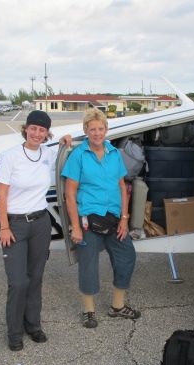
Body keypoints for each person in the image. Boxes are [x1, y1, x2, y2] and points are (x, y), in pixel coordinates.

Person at [0, 110, 71, 351]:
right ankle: (14, 333)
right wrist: (4, 226)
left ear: (47, 133)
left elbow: (60, 151)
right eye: (33, 128)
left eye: (42, 130)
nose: (37, 133)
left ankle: (33, 325)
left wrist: (64, 141)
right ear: (26, 129)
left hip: (40, 223)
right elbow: (2, 193)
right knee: (18, 282)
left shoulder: (47, 154)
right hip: (15, 224)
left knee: (35, 278)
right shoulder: (11, 156)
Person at [62, 108, 140, 328]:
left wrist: (124, 219)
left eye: (100, 128)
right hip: (89, 219)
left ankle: (117, 306)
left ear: (106, 129)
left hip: (114, 218)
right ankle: (88, 310)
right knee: (88, 264)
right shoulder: (78, 155)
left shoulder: (114, 153)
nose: (97, 133)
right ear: (85, 131)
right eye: (92, 129)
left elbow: (122, 186)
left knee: (127, 256)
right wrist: (75, 227)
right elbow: (70, 193)